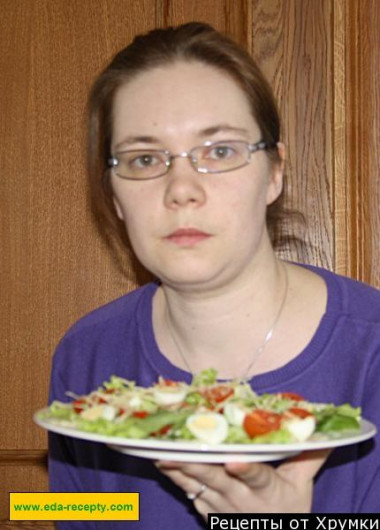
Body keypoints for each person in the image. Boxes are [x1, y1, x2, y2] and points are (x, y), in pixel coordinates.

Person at [48, 22, 380, 528]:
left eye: (220, 151)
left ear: (274, 172)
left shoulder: (371, 353)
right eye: (143, 159)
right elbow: (73, 513)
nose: (181, 189)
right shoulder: (86, 355)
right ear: (115, 194)